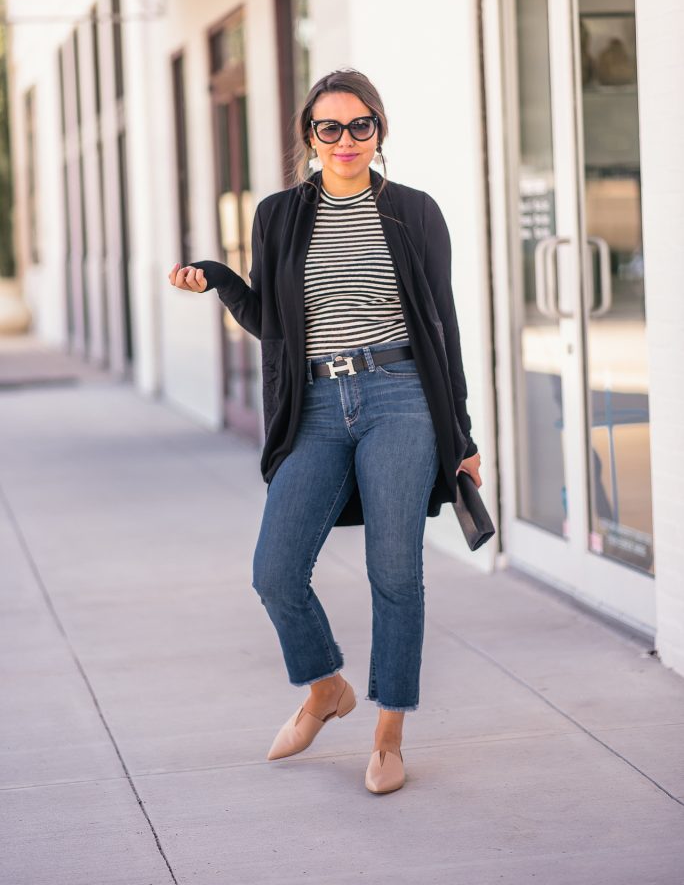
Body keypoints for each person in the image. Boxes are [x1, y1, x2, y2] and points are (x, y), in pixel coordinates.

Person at [168, 68, 482, 795]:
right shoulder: (279, 214)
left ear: (380, 129)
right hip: (313, 406)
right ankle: (325, 687)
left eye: (359, 125)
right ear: (309, 137)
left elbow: (443, 326)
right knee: (275, 572)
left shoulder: (414, 212)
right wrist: (217, 277)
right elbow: (272, 326)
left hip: (401, 396)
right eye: (328, 128)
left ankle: (388, 735)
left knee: (395, 571)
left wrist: (459, 432)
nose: (345, 141)